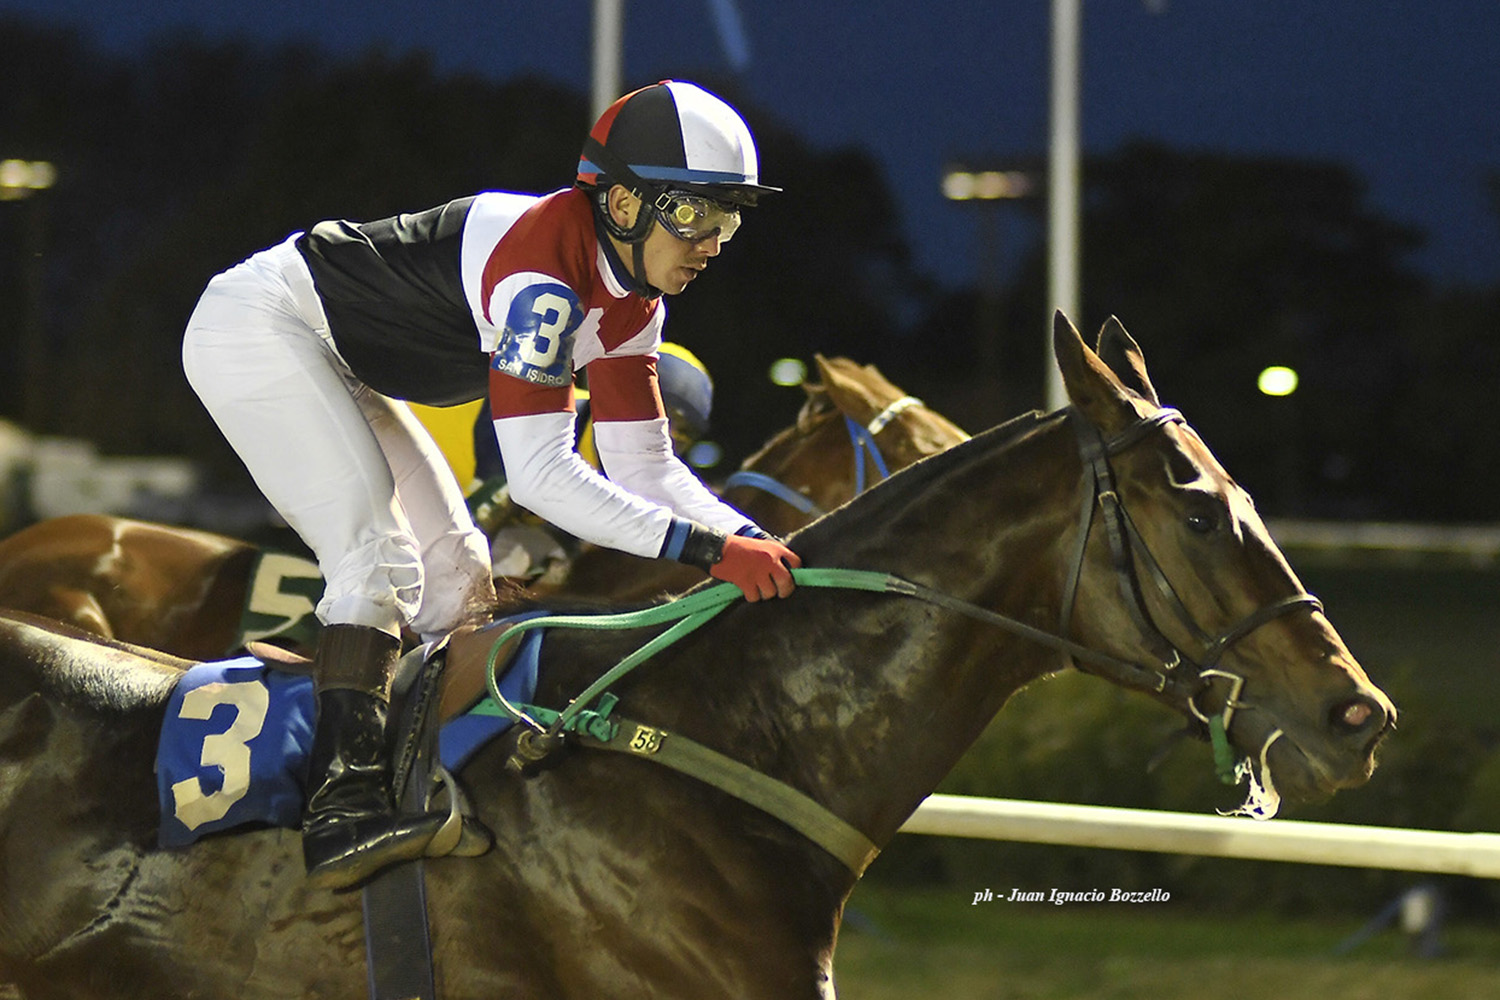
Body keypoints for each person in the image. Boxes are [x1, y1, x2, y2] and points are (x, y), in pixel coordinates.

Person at [181, 79, 801, 891]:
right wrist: (710, 551)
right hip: (259, 329)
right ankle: (341, 813)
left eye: (728, 220)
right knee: (378, 560)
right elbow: (540, 478)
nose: (713, 242)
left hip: (334, 355)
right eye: (694, 214)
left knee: (456, 575)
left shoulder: (633, 306)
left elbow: (647, 468)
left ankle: (419, 776)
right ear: (622, 204)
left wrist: (752, 539)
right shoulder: (545, 281)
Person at [467, 341, 716, 580]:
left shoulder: (641, 486)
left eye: (685, 432)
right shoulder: (543, 415)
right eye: (660, 414)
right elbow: (472, 525)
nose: (668, 436)